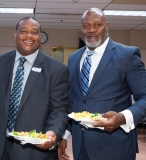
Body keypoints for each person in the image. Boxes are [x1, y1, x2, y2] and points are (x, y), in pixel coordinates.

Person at [58, 8, 146, 160]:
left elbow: (144, 97)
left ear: (107, 26)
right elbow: (75, 101)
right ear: (81, 29)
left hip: (115, 146)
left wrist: (122, 117)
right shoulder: (73, 58)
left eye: (97, 25)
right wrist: (65, 135)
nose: (91, 30)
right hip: (80, 146)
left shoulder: (127, 55)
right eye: (86, 26)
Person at [0, 16, 70, 160]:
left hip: (36, 151)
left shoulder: (57, 69)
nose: (29, 36)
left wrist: (53, 132)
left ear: (40, 36)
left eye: (34, 32)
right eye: (23, 31)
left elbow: (59, 109)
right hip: (0, 148)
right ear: (15, 34)